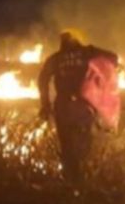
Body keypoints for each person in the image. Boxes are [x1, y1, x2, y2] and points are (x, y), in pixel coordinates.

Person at [38, 29, 119, 183]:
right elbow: (113, 58)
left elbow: (42, 79)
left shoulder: (56, 58)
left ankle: (71, 180)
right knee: (84, 144)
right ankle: (84, 181)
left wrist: (45, 104)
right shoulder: (88, 52)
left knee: (67, 146)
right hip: (83, 107)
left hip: (63, 106)